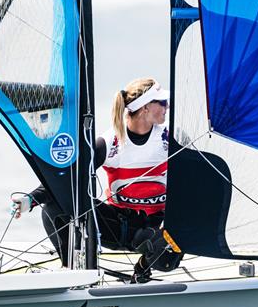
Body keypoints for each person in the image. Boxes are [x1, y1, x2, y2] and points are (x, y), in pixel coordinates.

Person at [12, 77, 182, 283]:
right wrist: (30, 199)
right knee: (56, 202)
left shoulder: (170, 138)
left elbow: (196, 182)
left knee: (167, 256)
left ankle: (142, 268)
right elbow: (67, 177)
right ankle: (70, 270)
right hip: (120, 226)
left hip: (156, 227)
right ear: (145, 107)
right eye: (162, 102)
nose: (168, 106)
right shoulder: (111, 141)